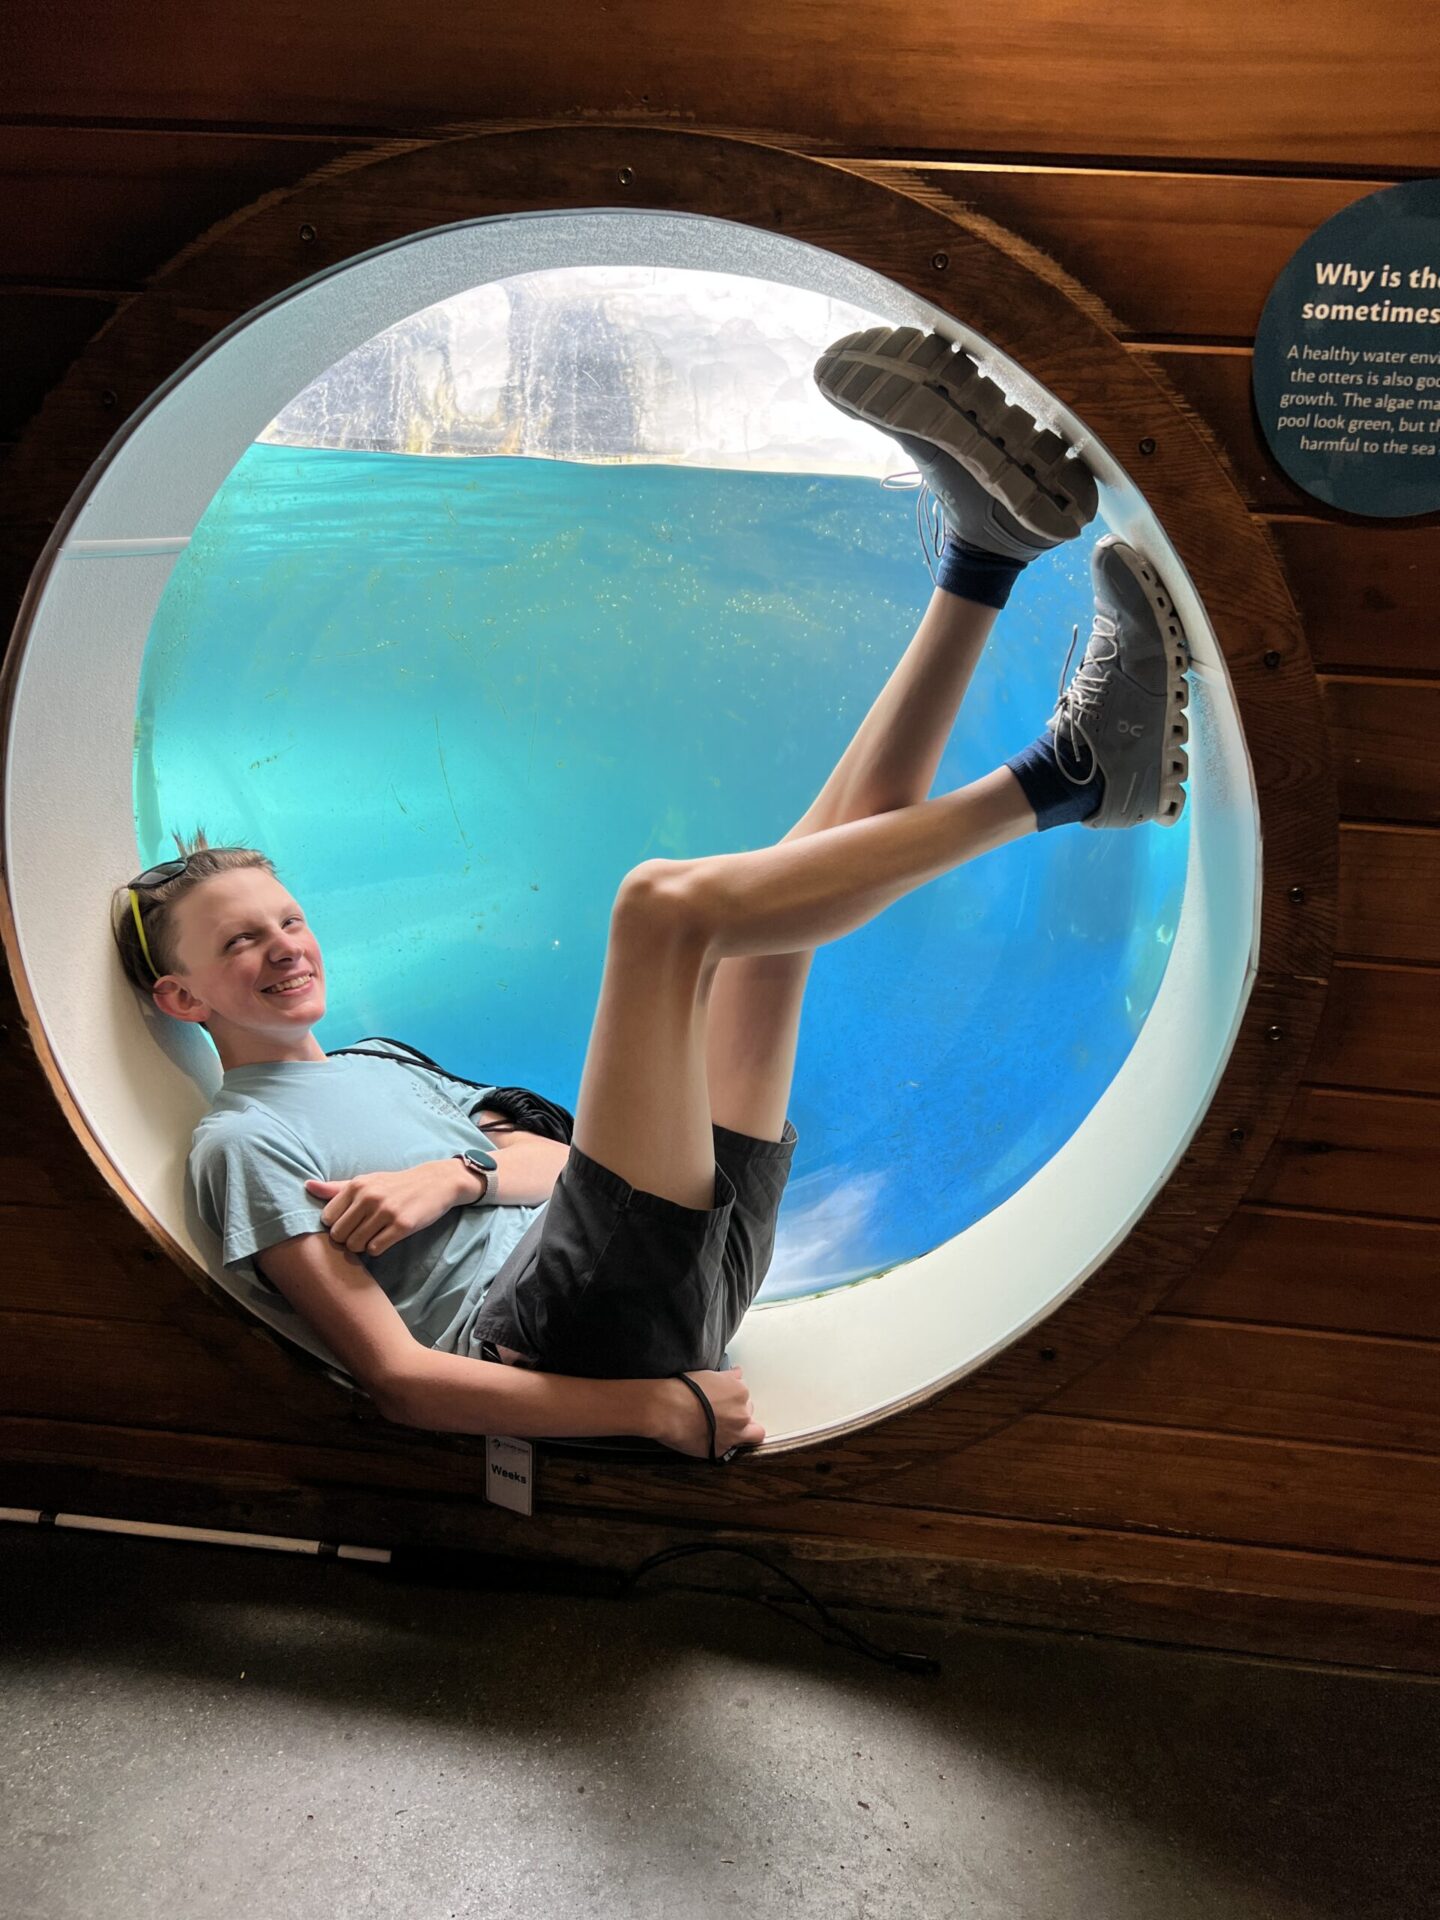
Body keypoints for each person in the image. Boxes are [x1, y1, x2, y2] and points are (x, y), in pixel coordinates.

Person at [111, 324, 1190, 1466]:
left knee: (772, 935)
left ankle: (987, 557)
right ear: (182, 998)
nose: (285, 947)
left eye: (287, 919)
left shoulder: (378, 1064)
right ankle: (1073, 777)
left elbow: (562, 1167)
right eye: (241, 944)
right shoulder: (242, 1141)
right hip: (555, 1333)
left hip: (658, 1265)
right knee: (663, 911)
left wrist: (450, 1174)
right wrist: (654, 1412)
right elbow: (400, 1381)